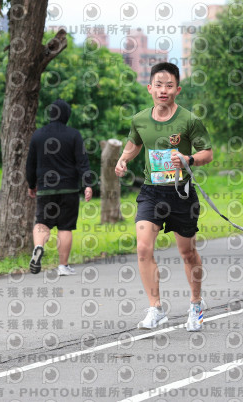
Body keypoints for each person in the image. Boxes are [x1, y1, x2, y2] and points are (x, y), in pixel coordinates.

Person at [115, 62, 213, 331]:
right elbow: (135, 144)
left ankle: (195, 305)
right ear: (149, 88)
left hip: (181, 193)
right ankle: (155, 308)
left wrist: (188, 158)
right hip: (151, 192)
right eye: (158, 85)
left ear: (177, 89)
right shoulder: (140, 119)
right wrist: (123, 160)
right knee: (143, 248)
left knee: (187, 252)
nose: (163, 90)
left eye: (169, 85)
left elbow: (208, 153)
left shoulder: (189, 120)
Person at [26, 99, 93, 276]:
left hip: (46, 189)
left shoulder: (38, 135)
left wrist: (31, 184)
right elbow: (82, 162)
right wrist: (87, 184)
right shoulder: (74, 135)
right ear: (66, 115)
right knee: (65, 227)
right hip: (69, 188)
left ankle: (39, 247)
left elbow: (30, 164)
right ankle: (63, 266)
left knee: (42, 223)